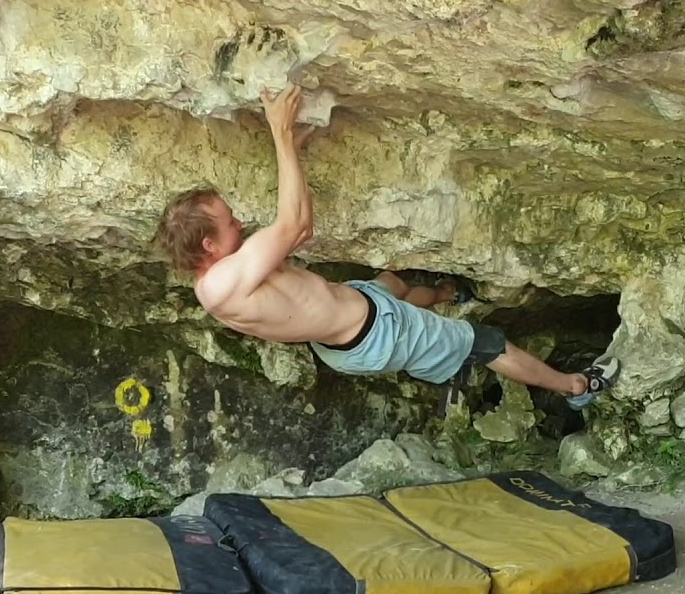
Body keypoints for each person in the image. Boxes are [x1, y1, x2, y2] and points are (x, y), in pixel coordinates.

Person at [153, 84, 619, 409]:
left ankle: (446, 295)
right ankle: (574, 386)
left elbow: (300, 232)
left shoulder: (225, 272)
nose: (237, 219)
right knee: (487, 343)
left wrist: (295, 150)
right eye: (227, 220)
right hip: (379, 334)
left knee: (390, 283)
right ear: (210, 244)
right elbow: (294, 224)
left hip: (355, 316)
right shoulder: (223, 284)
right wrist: (279, 132)